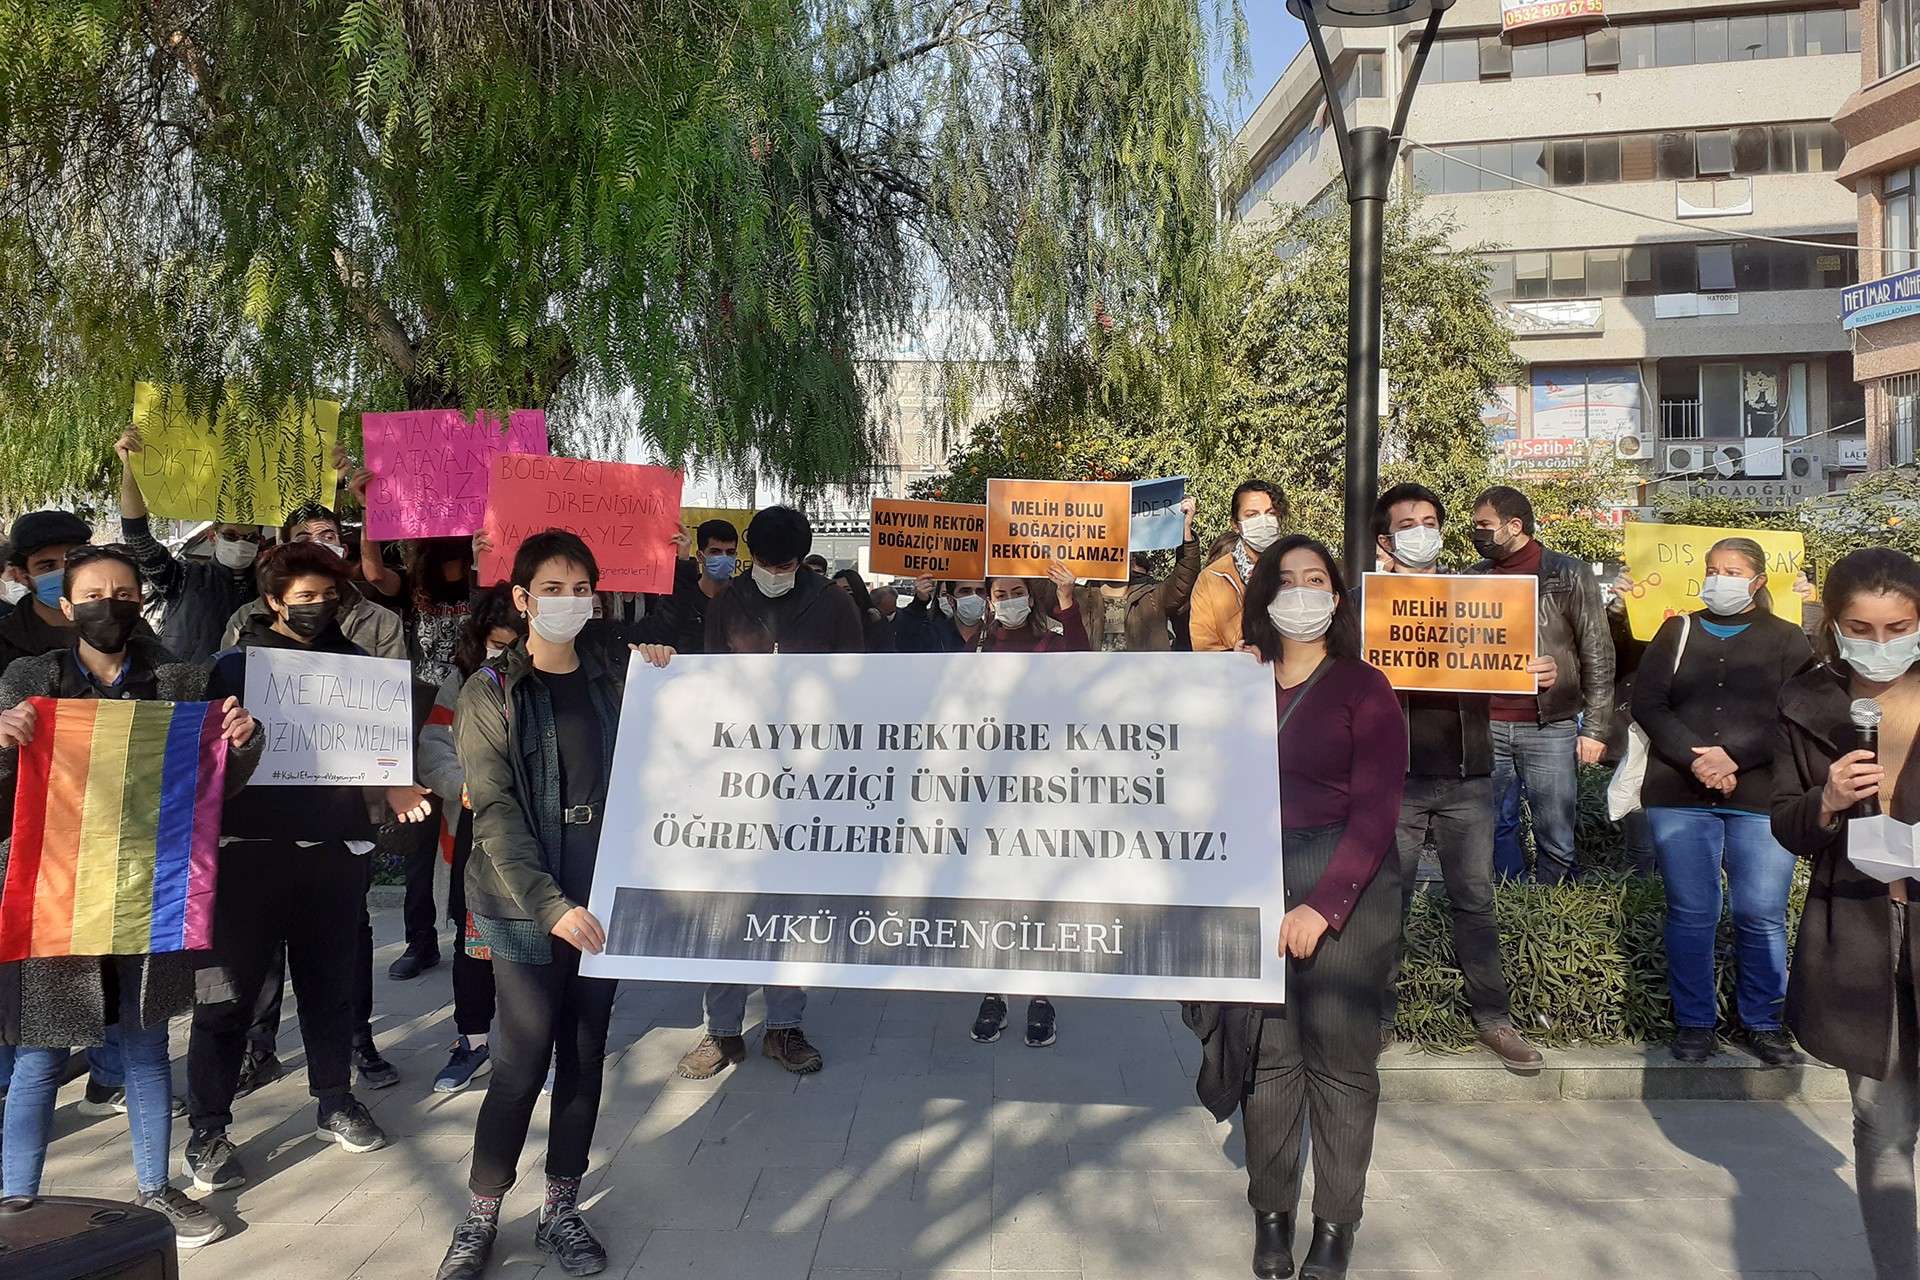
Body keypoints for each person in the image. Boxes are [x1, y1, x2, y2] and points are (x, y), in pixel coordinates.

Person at [0, 546, 262, 1248]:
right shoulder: (28, 679)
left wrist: (241, 742)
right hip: (59, 887)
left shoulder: (180, 679)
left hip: (152, 888)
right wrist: (2, 743)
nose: (108, 604)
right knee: (41, 1053)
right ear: (66, 605)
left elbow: (215, 789)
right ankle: (15, 1203)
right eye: (92, 593)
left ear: (140, 598)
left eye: (122, 591)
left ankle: (155, 1190)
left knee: (146, 1047)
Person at [435, 531, 674, 1280]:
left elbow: (676, 751)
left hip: (604, 893)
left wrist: (667, 676)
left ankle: (561, 1210)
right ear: (522, 598)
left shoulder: (611, 680)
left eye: (581, 588)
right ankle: (480, 1215)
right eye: (553, 588)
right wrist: (549, 904)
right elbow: (496, 808)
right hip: (520, 900)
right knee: (522, 1058)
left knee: (585, 1053)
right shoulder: (491, 691)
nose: (568, 601)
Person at [185, 542, 429, 1192]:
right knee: (222, 1003)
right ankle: (207, 1128)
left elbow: (386, 756)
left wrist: (399, 781)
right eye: (304, 594)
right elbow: (197, 769)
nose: (317, 605)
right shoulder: (231, 670)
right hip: (246, 863)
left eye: (329, 595)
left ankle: (334, 1100)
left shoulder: (360, 669)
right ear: (271, 599)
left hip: (334, 856)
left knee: (330, 992)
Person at [1228, 535, 1406, 1280]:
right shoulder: (1235, 684)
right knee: (1268, 1063)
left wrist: (1323, 906)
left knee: (1340, 1063)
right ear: (1264, 596)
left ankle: (1336, 1226)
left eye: (1316, 580)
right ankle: (1271, 1216)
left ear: (1337, 597)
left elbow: (1377, 811)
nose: (1301, 592)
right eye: (1286, 580)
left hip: (1346, 881)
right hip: (1254, 877)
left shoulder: (1365, 687)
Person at [1772, 547, 1920, 1280]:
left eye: (1900, 627)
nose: (1882, 644)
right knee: (1883, 1124)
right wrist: (1826, 800)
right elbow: (1786, 826)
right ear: (1833, 626)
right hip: (1860, 936)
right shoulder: (1805, 702)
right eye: (1863, 628)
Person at [678, 506, 861, 1080]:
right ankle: (722, 1032)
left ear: (801, 559)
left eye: (785, 563)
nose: (775, 572)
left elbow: (862, 685)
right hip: (738, 777)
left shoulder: (834, 604)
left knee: (791, 907)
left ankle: (785, 1028)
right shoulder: (727, 603)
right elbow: (707, 682)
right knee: (727, 906)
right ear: (749, 556)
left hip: (810, 780)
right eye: (766, 562)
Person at [1370, 485, 1547, 1071]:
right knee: (1385, 902)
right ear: (1386, 541)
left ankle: (1494, 1020)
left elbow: (1513, 664)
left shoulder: (1484, 597)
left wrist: (1542, 671)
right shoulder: (1366, 604)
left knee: (1475, 901)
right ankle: (1375, 1018)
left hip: (1468, 776)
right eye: (1407, 524)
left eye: (1429, 521)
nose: (1421, 531)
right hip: (1395, 779)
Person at [1633, 538, 1811, 1067]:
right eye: (1712, 570)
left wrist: (1733, 758)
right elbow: (1648, 702)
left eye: (1732, 571)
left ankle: (1763, 1021)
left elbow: (1797, 713)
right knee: (1692, 912)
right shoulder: (1678, 630)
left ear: (1758, 581)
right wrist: (1698, 760)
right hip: (1678, 794)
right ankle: (1695, 1022)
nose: (1720, 579)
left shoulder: (1786, 638)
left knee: (1761, 913)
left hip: (1759, 796)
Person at [966, 561, 1087, 1049]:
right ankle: (994, 993)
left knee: (1039, 894)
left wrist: (1066, 599)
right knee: (991, 895)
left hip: (1044, 787)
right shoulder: (976, 648)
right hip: (989, 790)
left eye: (1017, 591)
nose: (1009, 598)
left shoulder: (1054, 641)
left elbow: (1083, 664)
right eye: (1001, 592)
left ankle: (1041, 996)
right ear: (990, 599)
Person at [1469, 486, 1614, 883]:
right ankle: (1509, 902)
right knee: (1494, 825)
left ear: (1514, 526)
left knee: (1555, 832)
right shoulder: (1473, 577)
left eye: (1484, 525)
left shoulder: (1569, 573)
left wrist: (1597, 728)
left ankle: (1556, 903)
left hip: (1548, 725)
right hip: (1488, 723)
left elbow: (1597, 653)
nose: (1476, 533)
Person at [417, 587, 523, 1092]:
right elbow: (433, 746)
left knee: (537, 947)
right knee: (473, 946)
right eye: (493, 644)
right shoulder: (459, 683)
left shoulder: (550, 680)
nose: (501, 655)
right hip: (475, 840)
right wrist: (462, 785)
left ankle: (536, 1049)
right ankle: (472, 1043)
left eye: (511, 644)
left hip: (534, 839)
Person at [115, 427, 264, 663]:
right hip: (188, 689)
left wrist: (334, 484)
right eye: (232, 535)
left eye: (251, 538)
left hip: (250, 688)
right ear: (213, 536)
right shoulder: (183, 577)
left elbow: (317, 549)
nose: (241, 544)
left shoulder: (271, 584)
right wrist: (130, 467)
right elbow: (138, 539)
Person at [1073, 497, 1202, 652]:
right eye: (1106, 551)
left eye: (1119, 552)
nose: (1112, 557)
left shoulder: (1153, 595)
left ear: (1132, 562)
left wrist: (1185, 531)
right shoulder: (1078, 597)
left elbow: (1185, 576)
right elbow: (1042, 589)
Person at [1190, 480, 1286, 653]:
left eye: (1270, 513)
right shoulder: (1212, 578)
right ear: (1235, 524)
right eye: (1252, 515)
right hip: (1239, 675)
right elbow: (1204, 646)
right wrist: (1234, 655)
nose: (1263, 522)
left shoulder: (1298, 566)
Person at [0, 510, 100, 672]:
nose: (65, 573)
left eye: (74, 560)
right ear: (23, 575)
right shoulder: (6, 640)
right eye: (48, 566)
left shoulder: (124, 626)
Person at [632, 519, 738, 654]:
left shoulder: (742, 599)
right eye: (715, 552)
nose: (723, 558)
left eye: (729, 552)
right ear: (700, 556)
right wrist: (683, 560)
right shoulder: (681, 599)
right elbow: (661, 632)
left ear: (736, 556)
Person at [893, 577, 989, 653]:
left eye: (980, 592)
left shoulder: (996, 636)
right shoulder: (933, 634)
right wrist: (919, 603)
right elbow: (904, 646)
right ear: (950, 600)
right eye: (965, 591)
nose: (974, 596)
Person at [832, 569, 896, 653]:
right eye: (837, 591)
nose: (842, 595)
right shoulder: (825, 622)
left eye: (847, 590)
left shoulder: (876, 622)